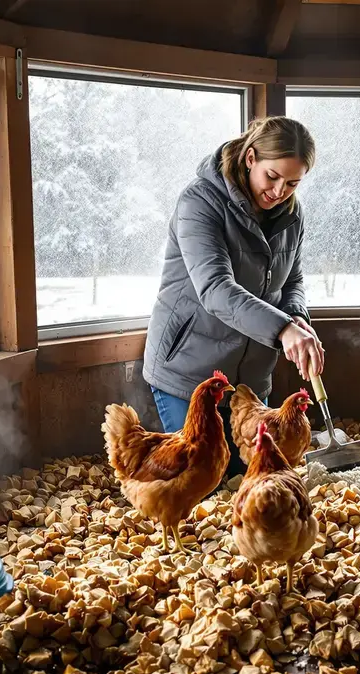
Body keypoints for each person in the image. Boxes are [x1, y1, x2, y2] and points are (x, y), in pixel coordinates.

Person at [142, 116, 326, 478]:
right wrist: (283, 329)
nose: (279, 192)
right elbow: (215, 289)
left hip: (251, 380)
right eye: (272, 177)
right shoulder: (199, 203)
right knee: (200, 484)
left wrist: (296, 317)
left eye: (292, 183)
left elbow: (293, 281)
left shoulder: (291, 213)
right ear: (250, 158)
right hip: (189, 372)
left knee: (252, 482)